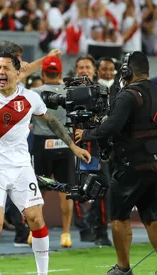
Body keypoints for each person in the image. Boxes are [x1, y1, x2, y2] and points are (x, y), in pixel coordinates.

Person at [0, 52, 91, 275]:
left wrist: (73, 146)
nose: (0, 72)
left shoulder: (31, 98)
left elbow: (51, 121)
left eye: (5, 68)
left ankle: (42, 273)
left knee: (36, 219)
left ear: (17, 72)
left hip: (22, 168)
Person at [75, 51, 157, 275]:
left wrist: (88, 133)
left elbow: (111, 127)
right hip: (153, 163)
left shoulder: (127, 94)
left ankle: (123, 267)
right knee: (152, 216)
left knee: (119, 217)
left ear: (127, 71)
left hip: (129, 165)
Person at [31, 56, 75, 248]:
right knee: (65, 190)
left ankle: (35, 233)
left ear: (42, 73)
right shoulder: (70, 92)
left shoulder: (34, 93)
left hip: (43, 143)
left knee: (38, 190)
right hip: (65, 144)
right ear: (60, 72)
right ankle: (66, 233)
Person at [72, 55, 112, 246]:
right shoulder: (68, 92)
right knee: (76, 190)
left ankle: (101, 231)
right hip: (75, 148)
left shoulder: (103, 92)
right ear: (75, 70)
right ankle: (84, 227)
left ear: (94, 70)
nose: (84, 70)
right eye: (80, 67)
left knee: (102, 189)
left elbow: (108, 119)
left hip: (97, 149)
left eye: (87, 66)